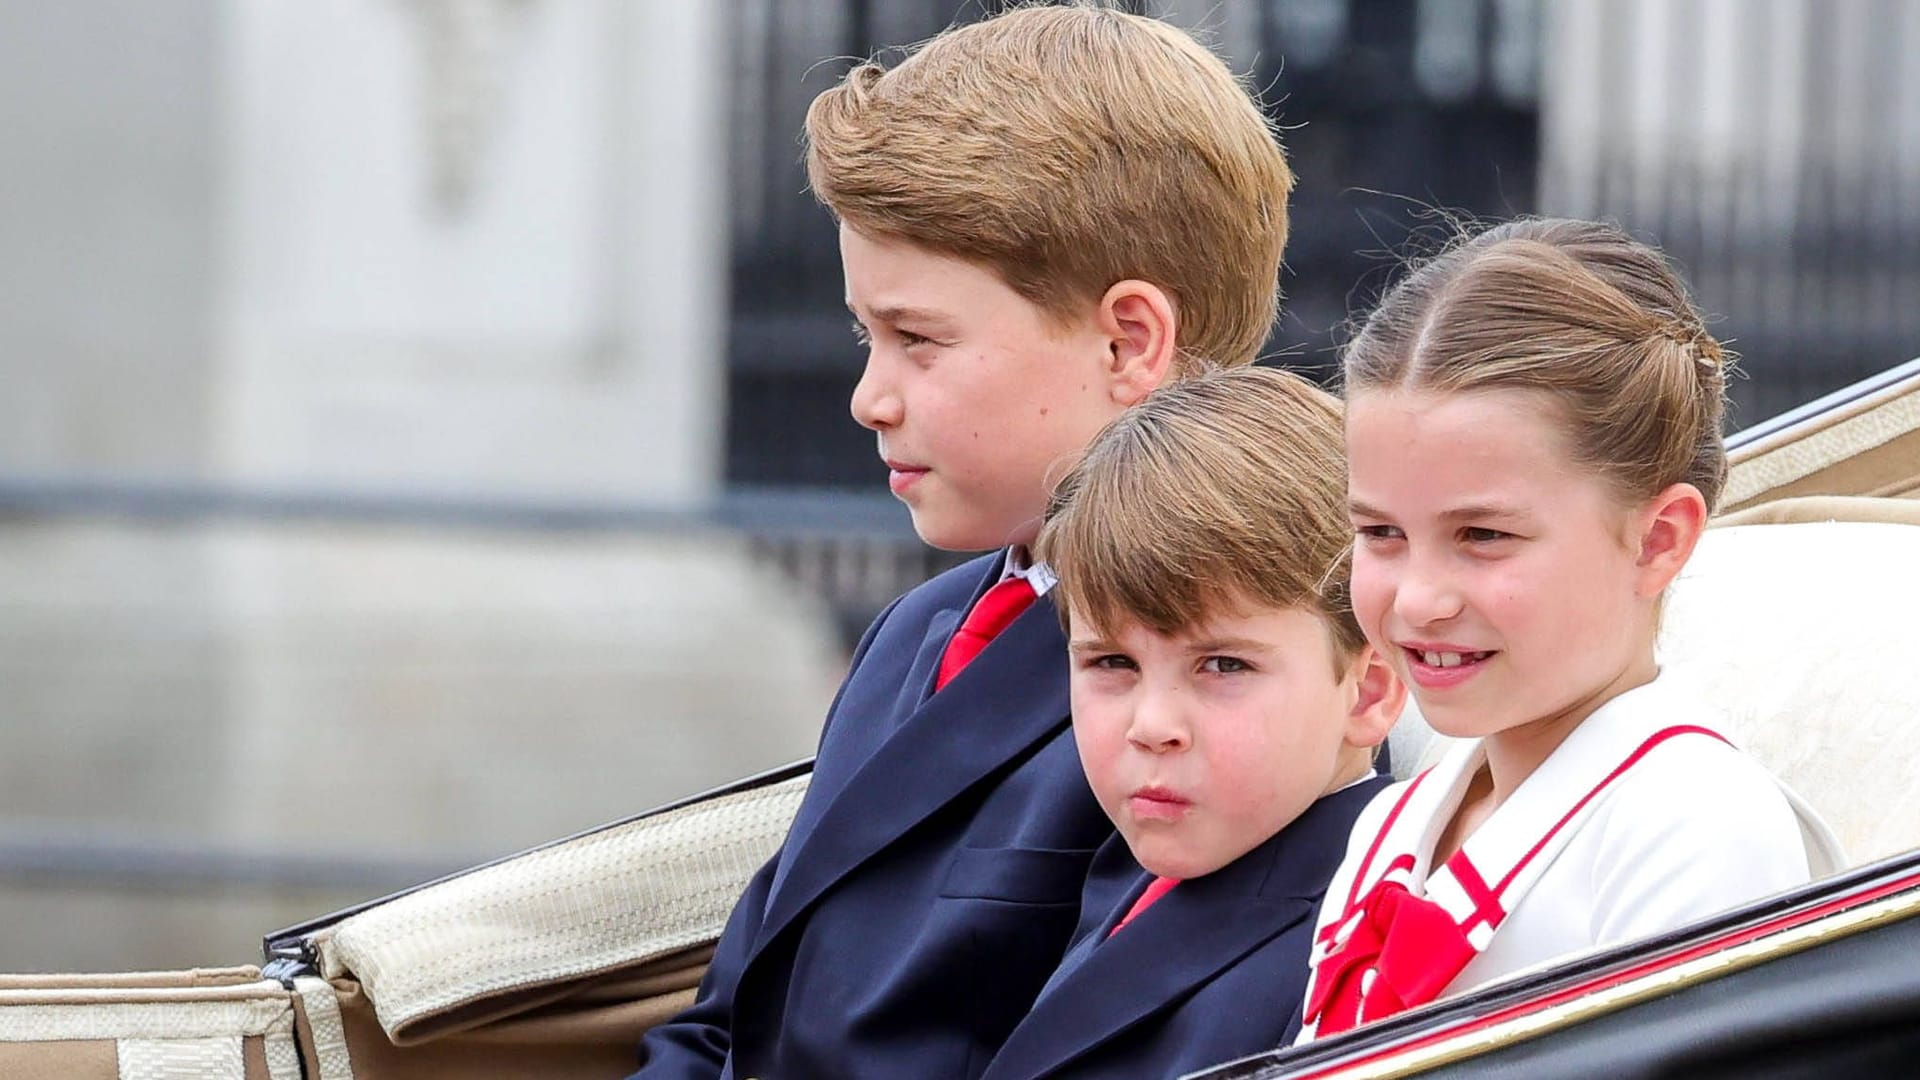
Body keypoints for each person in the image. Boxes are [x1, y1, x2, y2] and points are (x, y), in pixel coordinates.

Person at [634, 7, 1295, 1078]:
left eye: (918, 339)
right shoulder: (922, 627)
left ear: (1129, 341)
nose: (867, 396)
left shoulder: (1216, 691)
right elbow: (734, 1014)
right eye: (865, 334)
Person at [1296, 218, 1844, 1041]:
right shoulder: (1391, 823)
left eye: (1483, 536)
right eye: (1380, 533)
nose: (1417, 600)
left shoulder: (1696, 826)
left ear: (1658, 540)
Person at [975, 365, 1403, 1080]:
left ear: (1368, 693)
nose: (1152, 724)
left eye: (1224, 667)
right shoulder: (1135, 858)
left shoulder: (1345, 955)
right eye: (1111, 663)